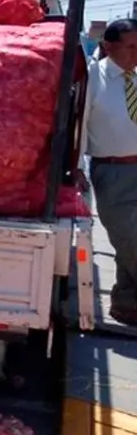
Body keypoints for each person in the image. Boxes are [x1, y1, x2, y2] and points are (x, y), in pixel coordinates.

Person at [81, 17, 137, 326]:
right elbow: (79, 126)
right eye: (130, 47)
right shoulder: (94, 78)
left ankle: (126, 304)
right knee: (128, 239)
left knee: (129, 240)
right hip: (113, 172)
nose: (135, 54)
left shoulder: (136, 78)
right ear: (109, 46)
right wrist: (77, 166)